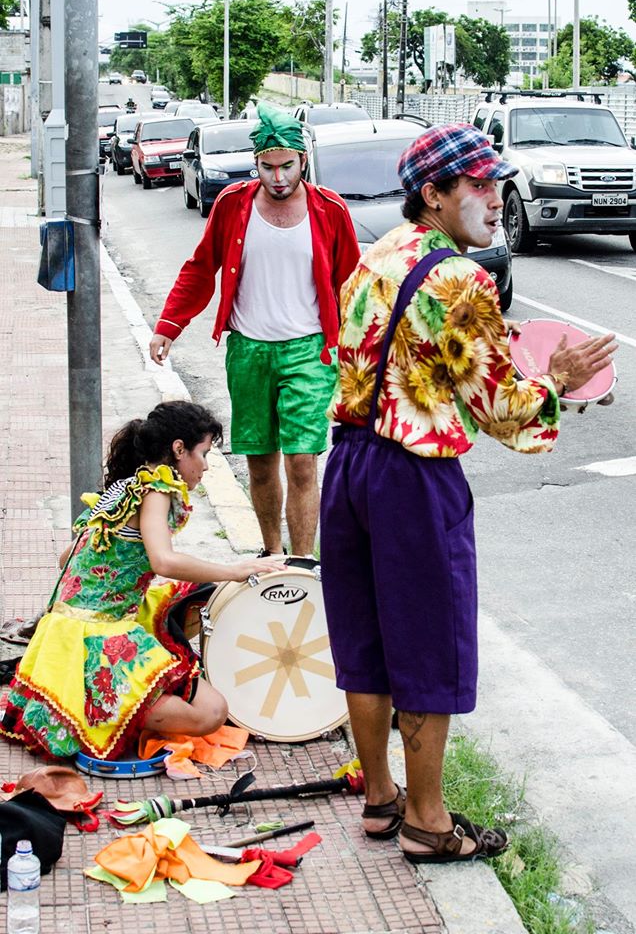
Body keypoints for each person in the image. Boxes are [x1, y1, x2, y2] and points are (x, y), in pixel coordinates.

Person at [319, 123, 618, 864]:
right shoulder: (462, 279)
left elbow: (411, 355)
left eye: (496, 183)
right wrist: (559, 382)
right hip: (412, 479)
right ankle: (427, 822)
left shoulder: (382, 253)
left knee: (364, 640)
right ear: (434, 194)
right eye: (479, 185)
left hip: (349, 464)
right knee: (426, 645)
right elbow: (503, 411)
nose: (495, 197)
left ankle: (380, 799)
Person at [0, 401, 284, 760]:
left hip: (60, 635)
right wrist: (236, 569)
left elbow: (66, 558)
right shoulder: (157, 488)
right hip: (97, 638)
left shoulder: (124, 487)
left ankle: (107, 703)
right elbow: (163, 561)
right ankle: (100, 712)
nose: (206, 466)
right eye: (203, 454)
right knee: (212, 713)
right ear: (178, 449)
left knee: (188, 595)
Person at [149, 102, 360, 558]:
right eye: (269, 167)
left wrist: (362, 350)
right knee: (261, 463)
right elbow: (201, 268)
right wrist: (169, 324)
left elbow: (351, 285)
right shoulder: (232, 205)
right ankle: (271, 556)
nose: (278, 177)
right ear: (256, 164)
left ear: (303, 161)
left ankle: (301, 562)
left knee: (302, 461)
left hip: (310, 351)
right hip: (248, 351)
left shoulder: (329, 210)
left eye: (288, 166)